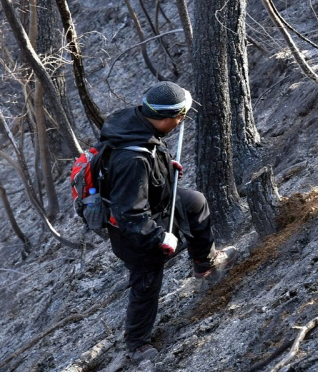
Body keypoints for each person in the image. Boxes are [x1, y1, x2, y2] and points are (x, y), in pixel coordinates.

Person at [99, 81, 238, 362]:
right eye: (179, 117)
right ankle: (136, 344)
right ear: (165, 118)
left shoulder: (136, 121)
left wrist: (163, 164)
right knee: (147, 279)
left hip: (152, 199)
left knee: (194, 202)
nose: (181, 121)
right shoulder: (132, 161)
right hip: (132, 231)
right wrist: (158, 238)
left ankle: (205, 264)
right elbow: (130, 214)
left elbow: (146, 154)